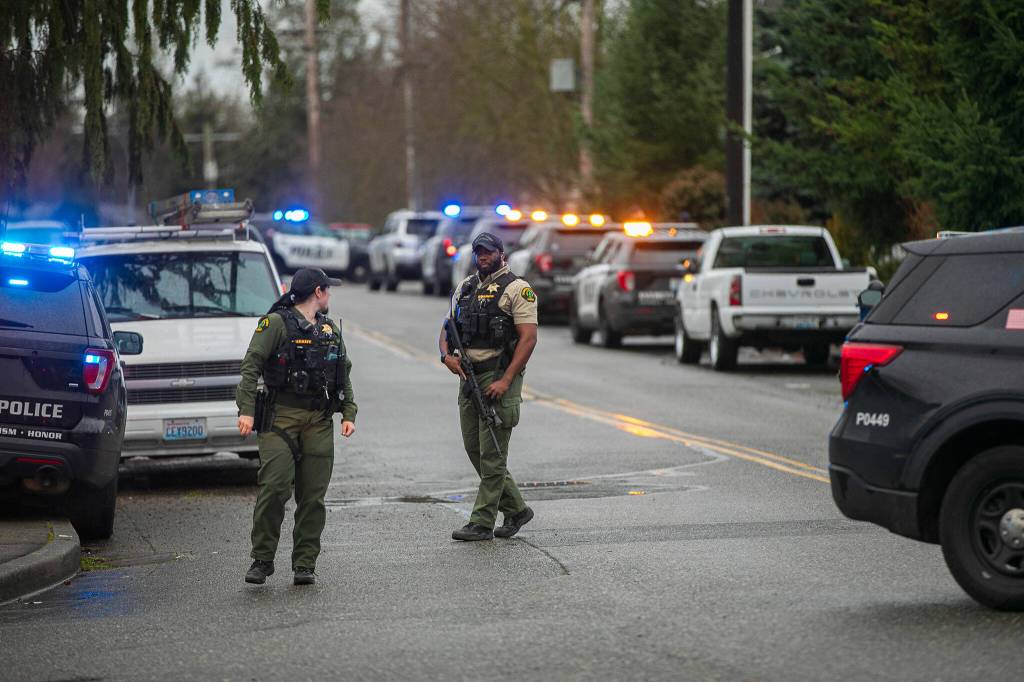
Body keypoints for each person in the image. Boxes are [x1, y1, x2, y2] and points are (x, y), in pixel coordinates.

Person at [236, 267, 357, 585]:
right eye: (327, 290)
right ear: (317, 292)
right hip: (280, 419)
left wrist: (348, 413)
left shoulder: (329, 329)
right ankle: (262, 559)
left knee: (312, 497)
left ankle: (305, 563)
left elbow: (342, 372)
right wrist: (246, 410)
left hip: (318, 420)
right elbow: (251, 366)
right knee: (275, 487)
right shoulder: (275, 324)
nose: (330, 295)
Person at [438, 232, 538, 541]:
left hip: (497, 376)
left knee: (493, 455)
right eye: (478, 251)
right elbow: (446, 329)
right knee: (474, 448)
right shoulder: (465, 288)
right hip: (468, 377)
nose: (482, 255)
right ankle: (517, 508)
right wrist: (446, 358)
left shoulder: (517, 289)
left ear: (500, 253)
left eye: (488, 251)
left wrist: (506, 379)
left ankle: (481, 521)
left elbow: (529, 337)